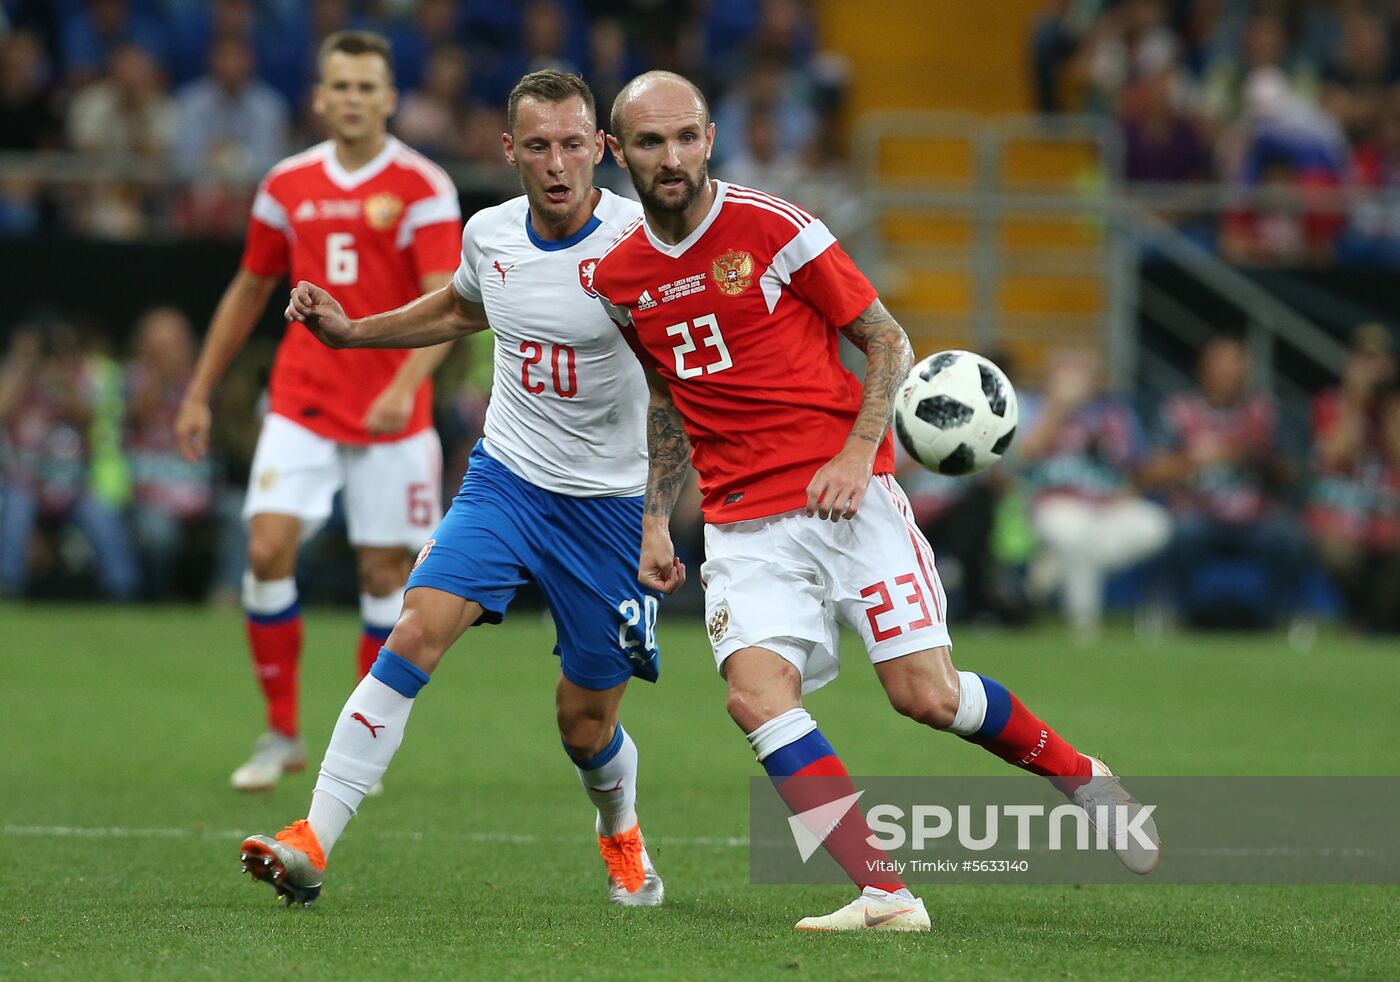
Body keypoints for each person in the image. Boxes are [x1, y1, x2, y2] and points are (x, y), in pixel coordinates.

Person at [590, 71, 1159, 934]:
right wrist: (653, 518)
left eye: (685, 138)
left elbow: (886, 339)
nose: (670, 158)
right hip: (741, 522)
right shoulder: (619, 276)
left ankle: (1081, 775)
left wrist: (860, 452)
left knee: (925, 697)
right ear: (616, 150)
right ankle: (887, 894)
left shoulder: (774, 227)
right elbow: (666, 398)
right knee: (755, 697)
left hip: (844, 501)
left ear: (709, 138)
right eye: (649, 143)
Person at [237, 70, 666, 909]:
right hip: (505, 481)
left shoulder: (639, 248)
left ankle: (621, 833)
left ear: (601, 150)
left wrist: (657, 519)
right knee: (415, 629)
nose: (556, 164)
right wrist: (356, 333)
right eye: (537, 146)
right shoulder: (490, 234)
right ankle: (312, 840)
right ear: (508, 151)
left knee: (585, 725)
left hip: (608, 510)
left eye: (573, 145)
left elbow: (680, 391)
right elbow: (463, 308)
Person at [174, 30, 463, 792]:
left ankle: (358, 745)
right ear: (319, 96)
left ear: (390, 97)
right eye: (341, 85)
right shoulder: (286, 183)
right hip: (302, 397)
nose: (354, 99)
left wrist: (404, 384)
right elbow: (250, 287)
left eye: (368, 86)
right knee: (267, 549)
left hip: (389, 413)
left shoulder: (423, 184)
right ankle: (281, 732)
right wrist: (201, 389)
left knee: (383, 575)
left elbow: (450, 302)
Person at [1142, 333, 1311, 629]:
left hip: (1256, 516)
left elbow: (1292, 473)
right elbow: (1150, 472)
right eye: (1222, 370)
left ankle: (1270, 617)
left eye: (1237, 371)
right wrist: (1199, 459)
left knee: (1290, 537)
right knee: (1182, 532)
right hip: (1198, 512)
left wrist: (1253, 457)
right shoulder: (1180, 410)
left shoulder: (1264, 411)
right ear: (1204, 371)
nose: (1230, 378)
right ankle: (1182, 613)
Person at [1018, 348, 1171, 640]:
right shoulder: (1033, 407)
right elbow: (1025, 455)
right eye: (1067, 371)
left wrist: (1130, 492)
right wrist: (1059, 408)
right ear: (1051, 377)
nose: (1074, 380)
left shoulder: (1115, 414)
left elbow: (1139, 468)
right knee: (1076, 535)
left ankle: (1057, 567)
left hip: (1108, 507)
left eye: (1082, 372)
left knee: (1156, 524)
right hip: (1055, 503)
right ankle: (1084, 623)